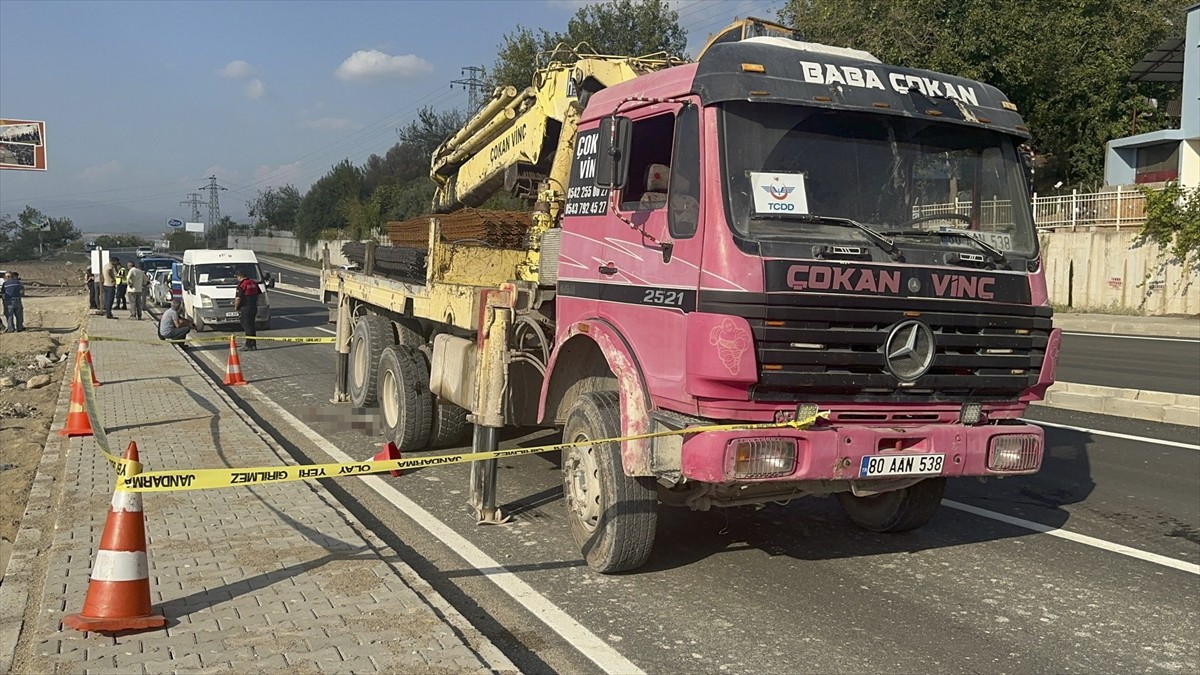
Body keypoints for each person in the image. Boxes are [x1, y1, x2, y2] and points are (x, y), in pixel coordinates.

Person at [234, 267, 261, 350]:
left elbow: (238, 298)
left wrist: (236, 307)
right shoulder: (253, 283)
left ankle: (248, 345)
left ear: (239, 276)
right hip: (253, 307)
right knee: (252, 326)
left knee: (246, 326)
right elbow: (259, 294)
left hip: (245, 308)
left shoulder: (242, 285)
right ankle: (253, 344)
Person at [102, 255, 119, 319]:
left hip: (106, 284)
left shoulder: (106, 265)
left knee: (107, 299)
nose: (117, 263)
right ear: (114, 261)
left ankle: (108, 312)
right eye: (116, 262)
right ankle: (108, 314)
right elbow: (109, 271)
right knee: (110, 300)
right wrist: (113, 278)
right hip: (110, 285)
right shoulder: (110, 266)